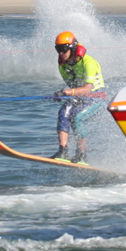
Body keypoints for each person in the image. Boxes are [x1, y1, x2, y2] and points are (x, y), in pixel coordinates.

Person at [51, 31, 106, 163]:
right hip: (81, 97)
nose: (60, 53)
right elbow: (73, 86)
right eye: (57, 49)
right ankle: (63, 152)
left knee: (77, 116)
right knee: (64, 111)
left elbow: (87, 89)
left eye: (63, 49)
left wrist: (66, 93)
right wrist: (63, 95)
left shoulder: (88, 62)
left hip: (97, 98)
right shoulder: (62, 64)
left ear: (72, 48)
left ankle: (81, 155)